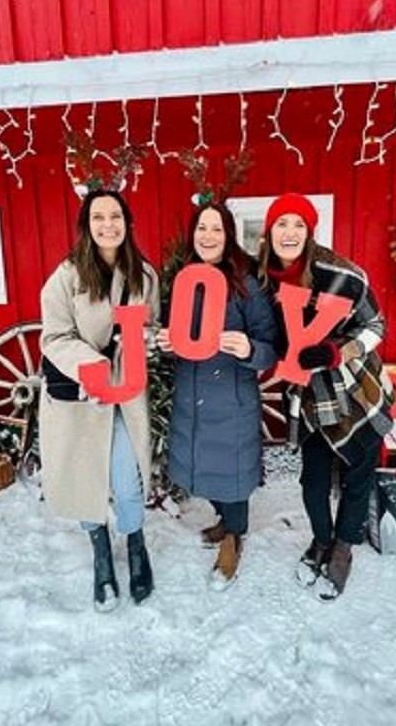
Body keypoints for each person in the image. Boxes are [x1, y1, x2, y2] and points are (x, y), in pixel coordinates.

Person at [258, 193, 393, 601]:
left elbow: (376, 327)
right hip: (309, 397)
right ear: (269, 231)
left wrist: (339, 350)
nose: (290, 232)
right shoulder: (262, 280)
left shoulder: (342, 275)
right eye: (281, 224)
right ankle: (320, 539)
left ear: (310, 232)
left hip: (354, 390)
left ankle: (343, 548)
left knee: (357, 477)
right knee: (313, 482)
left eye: (299, 225)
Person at [39, 189, 159, 612]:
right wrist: (92, 364)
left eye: (115, 216)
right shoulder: (66, 277)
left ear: (127, 222)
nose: (108, 225)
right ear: (86, 226)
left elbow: (149, 326)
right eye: (98, 218)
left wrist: (146, 338)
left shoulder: (144, 277)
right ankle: (101, 554)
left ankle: (136, 543)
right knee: (84, 476)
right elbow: (53, 337)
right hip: (80, 398)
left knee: (127, 479)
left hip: (125, 396)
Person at [157, 202, 278, 590]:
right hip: (192, 395)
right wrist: (167, 342)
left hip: (231, 397)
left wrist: (249, 349)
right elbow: (179, 334)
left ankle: (234, 537)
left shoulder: (247, 284)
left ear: (229, 235)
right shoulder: (184, 281)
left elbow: (271, 345)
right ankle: (225, 521)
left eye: (216, 229)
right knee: (204, 468)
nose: (207, 236)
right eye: (201, 228)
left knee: (233, 474)